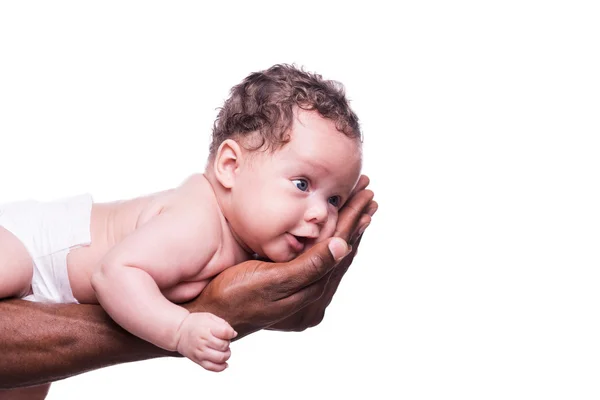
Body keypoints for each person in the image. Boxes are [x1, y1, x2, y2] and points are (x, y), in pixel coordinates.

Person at [0, 65, 375, 397]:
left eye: (335, 200)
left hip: (48, 298)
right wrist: (179, 330)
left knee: (25, 382)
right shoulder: (199, 221)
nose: (319, 215)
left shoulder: (248, 241)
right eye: (302, 184)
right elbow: (115, 273)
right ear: (230, 165)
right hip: (30, 246)